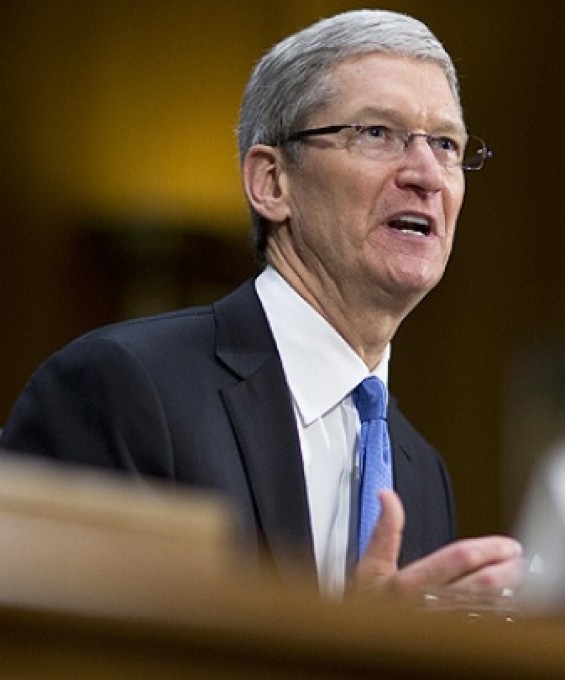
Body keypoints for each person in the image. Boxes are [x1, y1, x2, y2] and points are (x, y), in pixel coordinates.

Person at [0, 9, 521, 601]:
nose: (427, 174)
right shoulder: (125, 388)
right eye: (377, 133)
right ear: (272, 183)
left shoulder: (421, 472)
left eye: (446, 144)